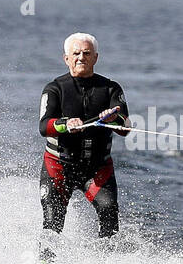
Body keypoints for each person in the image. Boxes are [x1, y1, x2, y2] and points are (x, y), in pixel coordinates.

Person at [38, 33, 129, 249]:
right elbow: (44, 126)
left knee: (109, 212)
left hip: (97, 168)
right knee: (53, 222)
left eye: (86, 53)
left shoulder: (111, 89)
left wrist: (114, 118)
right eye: (76, 53)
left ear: (95, 58)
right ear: (66, 58)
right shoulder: (54, 89)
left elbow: (125, 128)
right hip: (59, 165)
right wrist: (65, 124)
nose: (81, 57)